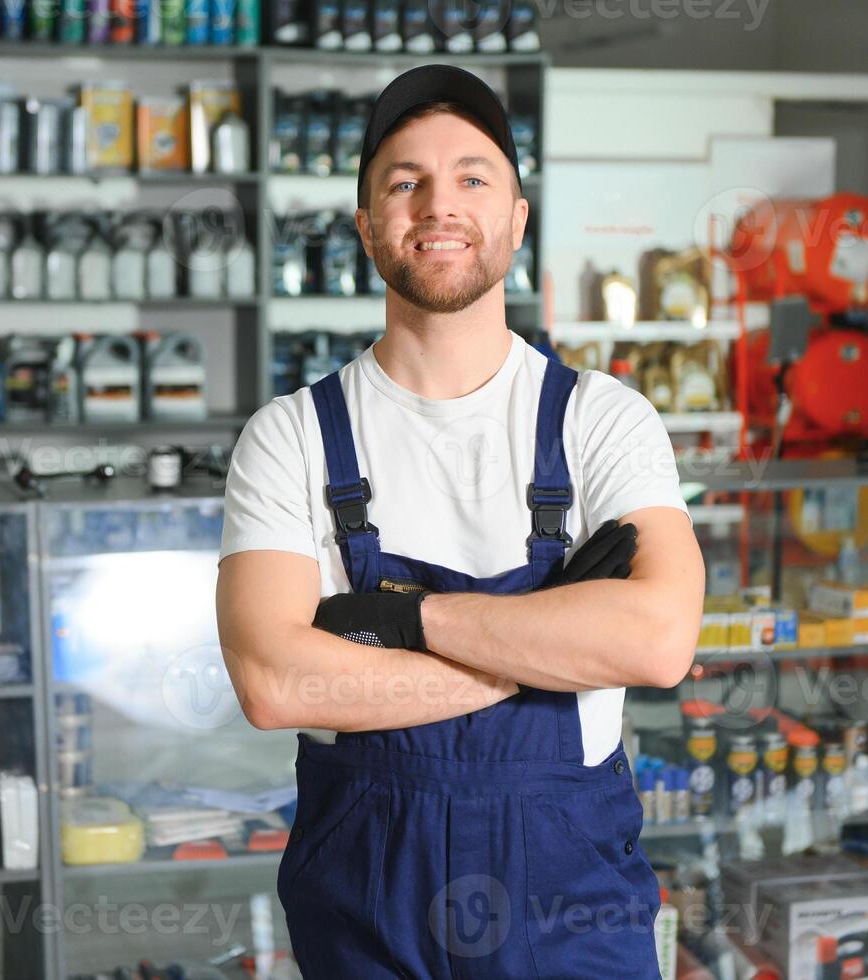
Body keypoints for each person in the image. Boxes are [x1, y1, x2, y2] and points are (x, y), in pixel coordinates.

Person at [215, 64, 705, 978]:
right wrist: (537, 653)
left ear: (517, 219)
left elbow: (657, 639)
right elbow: (275, 680)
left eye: (473, 178)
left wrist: (403, 624)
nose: (438, 205)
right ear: (366, 225)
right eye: (404, 182)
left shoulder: (602, 418)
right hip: (364, 883)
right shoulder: (290, 437)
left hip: (569, 889)